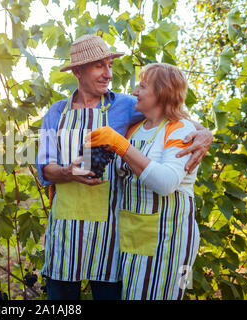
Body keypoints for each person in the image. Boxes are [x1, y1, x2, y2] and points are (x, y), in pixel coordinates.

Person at [36, 35, 212, 300]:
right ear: (77, 71)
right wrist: (67, 173)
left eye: (109, 65)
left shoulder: (126, 106)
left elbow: (171, 113)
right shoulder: (55, 113)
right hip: (65, 229)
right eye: (99, 66)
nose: (108, 74)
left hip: (110, 234)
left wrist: (204, 132)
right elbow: (45, 168)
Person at [85, 63, 201, 300]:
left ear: (162, 93)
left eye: (142, 86)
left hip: (172, 243)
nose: (135, 91)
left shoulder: (180, 130)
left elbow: (167, 183)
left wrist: (121, 146)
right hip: (136, 240)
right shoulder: (135, 130)